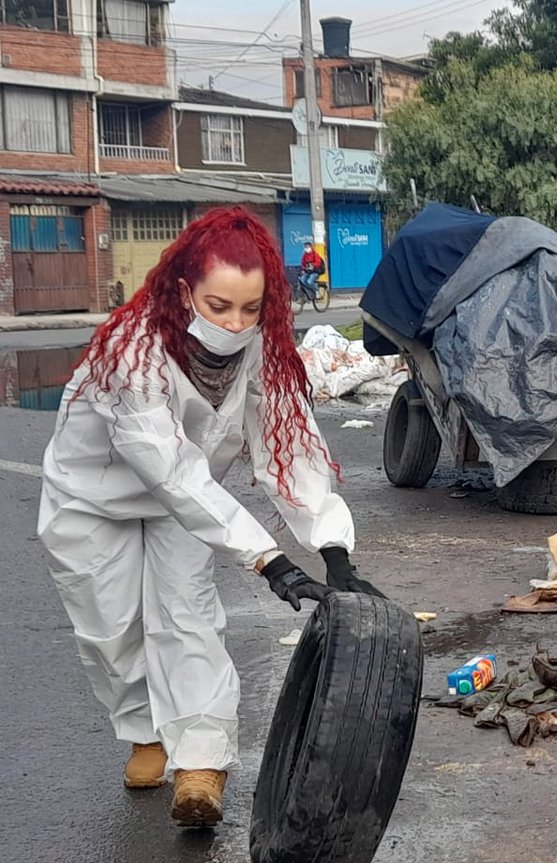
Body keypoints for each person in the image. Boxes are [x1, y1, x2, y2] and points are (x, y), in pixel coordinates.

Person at [37, 207, 383, 828]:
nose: (236, 323)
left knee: (187, 616)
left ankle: (200, 764)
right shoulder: (132, 351)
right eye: (219, 306)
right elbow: (170, 470)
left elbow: (292, 446)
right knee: (110, 629)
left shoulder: (263, 350)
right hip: (94, 500)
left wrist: (333, 549)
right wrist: (268, 560)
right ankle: (146, 731)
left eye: (251, 309)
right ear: (183, 290)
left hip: (186, 513)